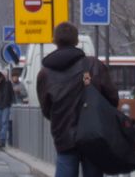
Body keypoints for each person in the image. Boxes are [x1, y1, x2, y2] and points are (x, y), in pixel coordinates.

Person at [37, 22, 118, 177]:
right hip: (93, 134)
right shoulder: (93, 65)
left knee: (65, 165)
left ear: (54, 41)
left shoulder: (45, 73)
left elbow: (46, 109)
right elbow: (112, 98)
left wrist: (61, 118)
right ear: (76, 41)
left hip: (63, 135)